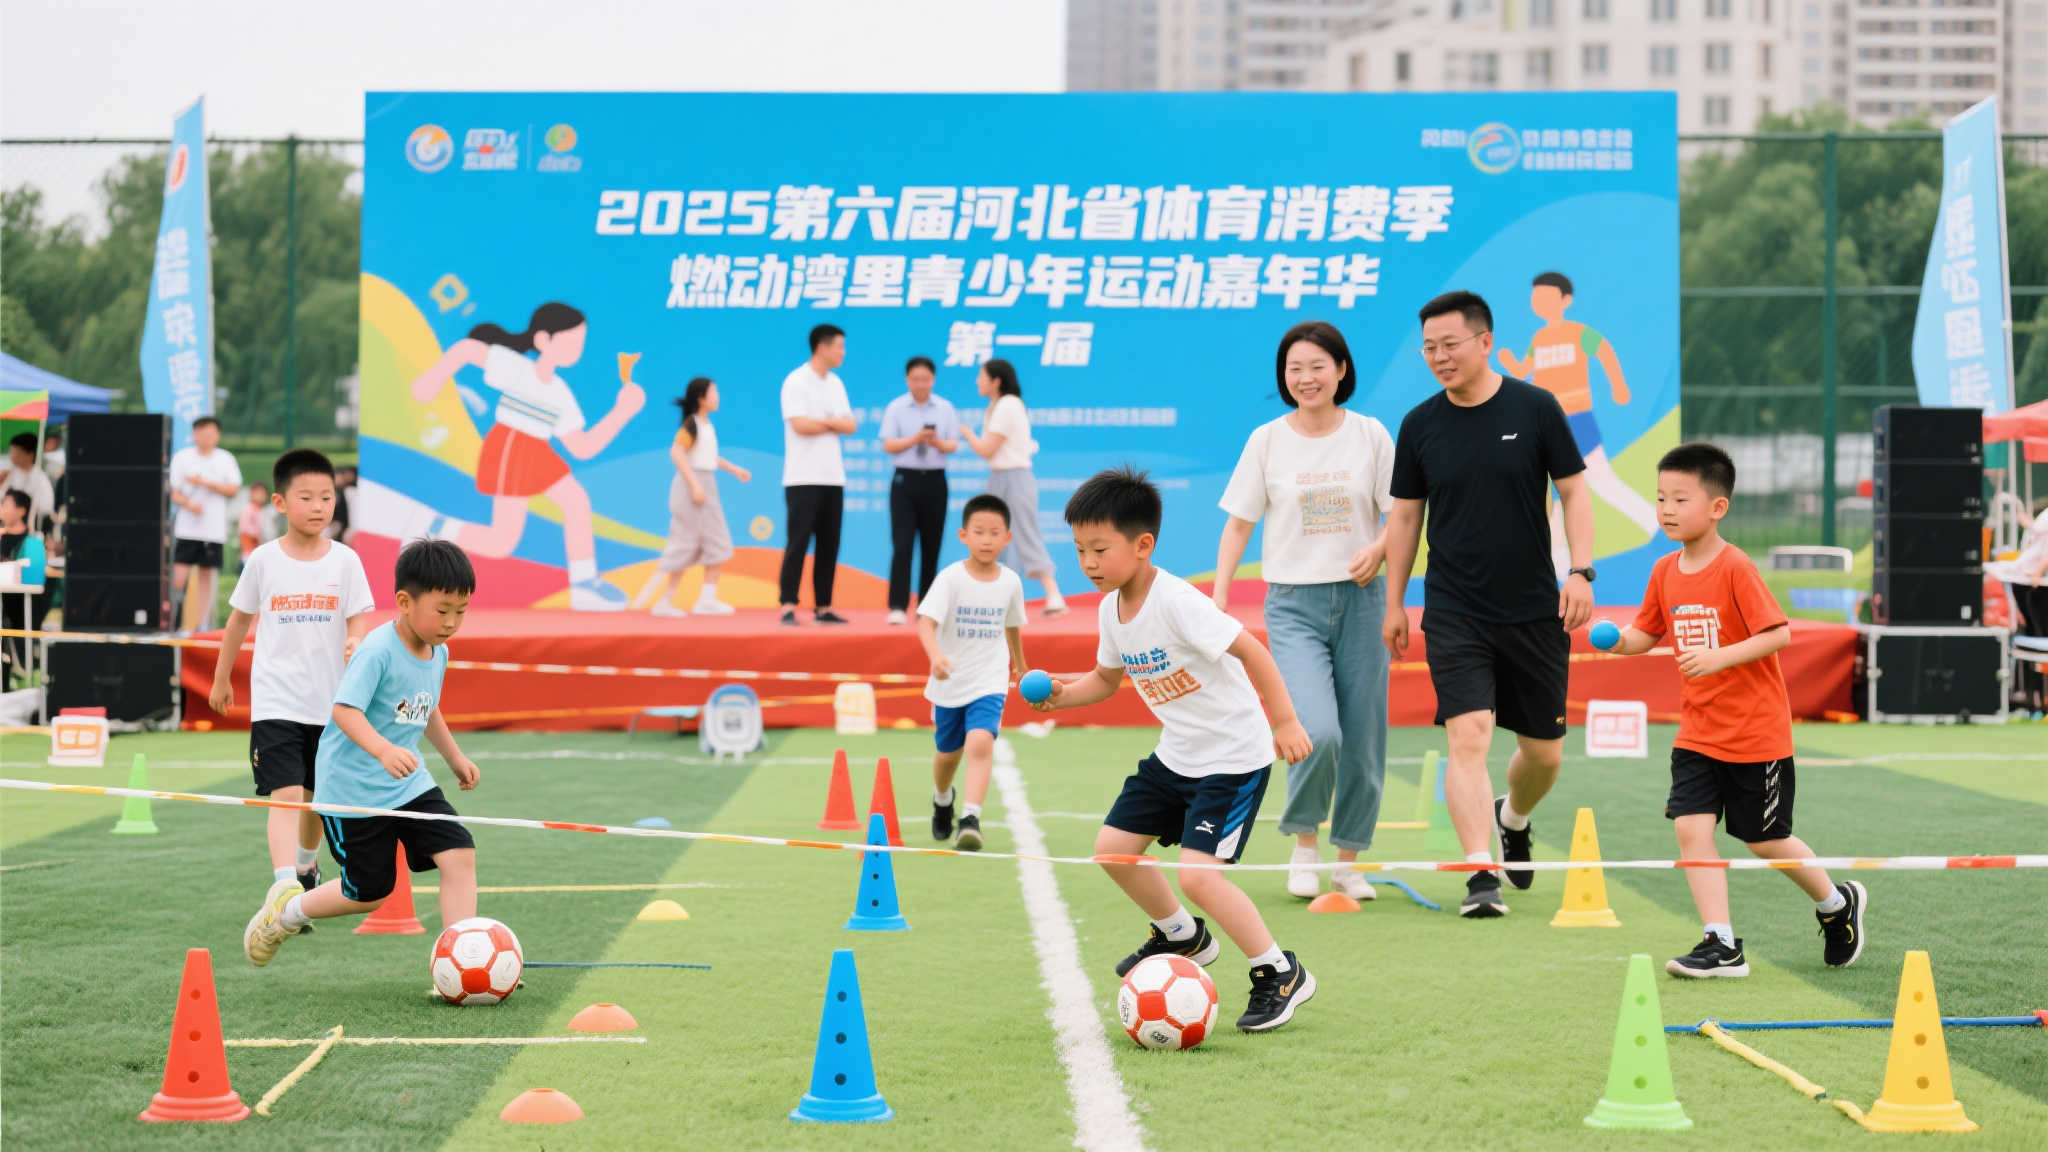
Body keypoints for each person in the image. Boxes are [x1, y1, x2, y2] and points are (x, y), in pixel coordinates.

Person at [1031, 467, 1317, 1032]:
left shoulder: (1177, 602)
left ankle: (1280, 972)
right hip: (1178, 755)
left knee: (1199, 876)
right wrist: (1063, 697)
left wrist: (1284, 720)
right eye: (1080, 550)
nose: (1087, 562)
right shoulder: (1111, 608)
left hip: (1233, 758)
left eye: (1099, 549)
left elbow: (1253, 652)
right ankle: (1183, 935)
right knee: (1113, 849)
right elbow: (1105, 680)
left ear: (1143, 546)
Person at [1605, 442, 1867, 977]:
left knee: (1764, 838)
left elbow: (1778, 633)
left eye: (1681, 498)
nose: (1667, 509)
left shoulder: (1735, 567)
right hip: (1697, 732)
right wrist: (1615, 641)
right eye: (1660, 498)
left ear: (1717, 507)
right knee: (1690, 828)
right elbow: (1645, 633)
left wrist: (1718, 657)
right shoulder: (1664, 570)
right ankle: (1720, 942)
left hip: (1756, 734)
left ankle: (1836, 905)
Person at [1381, 290, 1595, 919]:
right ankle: (1481, 872)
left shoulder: (1535, 407)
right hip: (1453, 609)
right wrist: (1396, 602)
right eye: (1428, 348)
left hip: (1535, 608)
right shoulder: (1420, 424)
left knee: (1544, 753)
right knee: (1468, 736)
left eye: (1449, 344)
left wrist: (1580, 571)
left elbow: (1576, 493)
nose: (1439, 357)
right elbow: (1405, 518)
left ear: (1483, 341)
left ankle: (1515, 816)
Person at [1214, 321, 1395, 903]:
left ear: (1342, 370)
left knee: (1364, 739)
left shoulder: (1370, 435)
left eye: (1318, 365)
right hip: (1293, 604)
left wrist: (1380, 547)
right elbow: (1239, 521)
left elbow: (1402, 514)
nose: (1306, 378)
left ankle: (1348, 862)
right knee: (1316, 729)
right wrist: (1218, 599)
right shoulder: (1267, 439)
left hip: (1362, 600)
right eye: (1294, 368)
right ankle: (1304, 844)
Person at [243, 539, 482, 966]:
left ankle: (460, 962)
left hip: (408, 787)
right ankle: (287, 914)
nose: (451, 623)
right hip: (352, 794)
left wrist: (454, 758)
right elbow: (345, 710)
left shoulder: (438, 652)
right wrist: (384, 749)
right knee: (367, 893)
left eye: (461, 612)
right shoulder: (376, 650)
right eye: (442, 611)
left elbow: (426, 708)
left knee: (459, 853)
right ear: (405, 602)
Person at [210, 450, 375, 919]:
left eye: (327, 497)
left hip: (333, 706)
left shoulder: (345, 561)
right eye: (307, 497)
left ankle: (306, 868)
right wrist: (222, 680)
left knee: (316, 801)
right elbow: (238, 622)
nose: (320, 506)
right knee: (285, 794)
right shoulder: (263, 561)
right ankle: (283, 887)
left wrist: (357, 638)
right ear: (280, 503)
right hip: (276, 702)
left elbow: (360, 615)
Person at [401, 302, 644, 610]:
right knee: (502, 542)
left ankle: (584, 584)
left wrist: (622, 412)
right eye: (571, 341)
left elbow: (582, 447)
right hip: (511, 448)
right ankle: (434, 527)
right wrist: (430, 381)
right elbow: (466, 349)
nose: (577, 349)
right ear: (543, 340)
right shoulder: (516, 368)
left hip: (537, 450)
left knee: (576, 502)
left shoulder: (561, 392)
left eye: (580, 342)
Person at [1496, 272, 1659, 573]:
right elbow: (1524, 370)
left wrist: (1618, 387)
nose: (1540, 303)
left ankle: (1651, 520)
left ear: (1565, 300)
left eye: (1546, 297)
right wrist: (1510, 364)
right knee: (1554, 493)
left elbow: (1605, 351)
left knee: (1600, 479)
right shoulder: (1539, 339)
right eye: (1536, 299)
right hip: (1545, 423)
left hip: (1578, 419)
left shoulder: (1577, 333)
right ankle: (1558, 559)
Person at [918, 494, 1027, 852]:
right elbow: (926, 623)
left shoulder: (1010, 581)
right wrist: (935, 656)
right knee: (948, 754)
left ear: (1007, 538)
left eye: (995, 532)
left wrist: (1020, 667)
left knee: (980, 742)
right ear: (964, 535)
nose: (986, 539)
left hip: (989, 678)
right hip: (950, 680)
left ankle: (970, 817)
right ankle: (942, 798)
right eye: (979, 532)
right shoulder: (950, 579)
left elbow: (1012, 626)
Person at [631, 377, 750, 617]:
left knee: (716, 543)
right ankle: (664, 602)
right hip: (692, 488)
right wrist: (695, 485)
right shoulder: (691, 424)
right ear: (701, 398)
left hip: (706, 484)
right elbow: (677, 452)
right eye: (713, 392)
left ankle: (706, 599)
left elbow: (709, 456)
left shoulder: (706, 425)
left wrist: (735, 469)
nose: (718, 396)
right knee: (686, 544)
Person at [961, 358, 1067, 616]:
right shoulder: (994, 406)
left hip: (1016, 478)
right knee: (997, 539)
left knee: (1026, 534)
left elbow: (987, 449)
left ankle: (1054, 595)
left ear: (996, 381)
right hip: (998, 478)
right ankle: (1003, 600)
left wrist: (967, 434)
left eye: (982, 376)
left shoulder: (1008, 405)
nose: (977, 381)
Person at [779, 324, 857, 626]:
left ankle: (823, 606)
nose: (842, 353)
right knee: (798, 542)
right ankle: (788, 604)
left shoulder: (836, 383)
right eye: (839, 346)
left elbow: (850, 425)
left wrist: (823, 422)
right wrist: (832, 422)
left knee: (829, 543)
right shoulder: (796, 381)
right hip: (802, 477)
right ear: (822, 347)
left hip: (832, 477)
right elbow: (800, 425)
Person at [880, 356, 961, 625]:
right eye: (915, 379)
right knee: (902, 544)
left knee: (932, 545)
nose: (920, 384)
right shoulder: (896, 407)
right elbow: (889, 445)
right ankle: (898, 606)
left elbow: (952, 445)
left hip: (935, 481)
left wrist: (935, 441)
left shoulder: (945, 408)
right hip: (905, 481)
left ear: (933, 380)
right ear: (907, 380)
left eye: (925, 379)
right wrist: (916, 438)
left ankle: (927, 607)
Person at [169, 416, 242, 632]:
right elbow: (174, 492)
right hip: (187, 529)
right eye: (201, 433)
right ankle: (173, 620)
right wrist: (189, 504)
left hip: (213, 530)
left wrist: (205, 483)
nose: (205, 438)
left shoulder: (225, 459)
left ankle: (201, 625)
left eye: (210, 434)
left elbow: (233, 489)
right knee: (179, 576)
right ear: (193, 435)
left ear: (217, 435)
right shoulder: (183, 458)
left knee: (206, 577)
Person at [0, 489, 48, 690]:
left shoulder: (33, 541)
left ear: (21, 510)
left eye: (6, 504)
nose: (1, 509)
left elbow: (35, 576)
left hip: (18, 605)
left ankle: (19, 673)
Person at [3, 433, 56, 533]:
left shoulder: (40, 479)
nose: (13, 456)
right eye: (12, 452)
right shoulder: (12, 473)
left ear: (30, 455)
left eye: (17, 453)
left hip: (31, 527)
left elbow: (44, 511)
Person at [237, 482, 278, 566]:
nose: (261, 496)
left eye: (263, 493)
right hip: (249, 554)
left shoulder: (263, 511)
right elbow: (245, 530)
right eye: (258, 493)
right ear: (251, 493)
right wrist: (260, 534)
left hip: (260, 553)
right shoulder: (248, 509)